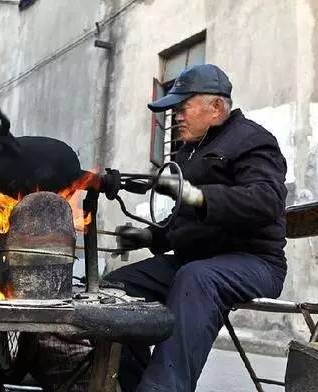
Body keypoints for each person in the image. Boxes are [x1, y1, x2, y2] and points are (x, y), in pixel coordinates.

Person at [105, 64, 288, 392]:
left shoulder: (253, 140)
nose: (176, 117)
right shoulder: (191, 153)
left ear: (216, 107)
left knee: (196, 278)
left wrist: (195, 195)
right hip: (198, 259)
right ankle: (134, 385)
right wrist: (150, 237)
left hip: (254, 261)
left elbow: (266, 201)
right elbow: (187, 223)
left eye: (182, 108)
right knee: (116, 288)